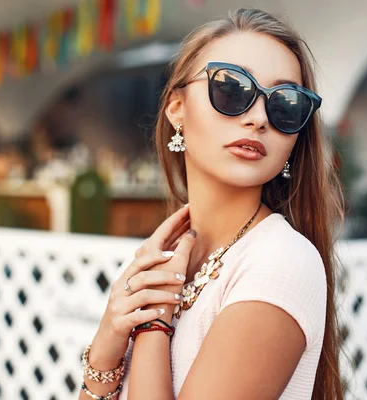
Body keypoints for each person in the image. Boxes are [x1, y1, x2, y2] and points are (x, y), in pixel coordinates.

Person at [79, 8, 344, 400]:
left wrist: (153, 327)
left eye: (285, 104)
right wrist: (106, 345)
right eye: (232, 89)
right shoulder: (164, 261)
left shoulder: (279, 264)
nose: (258, 118)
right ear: (177, 109)